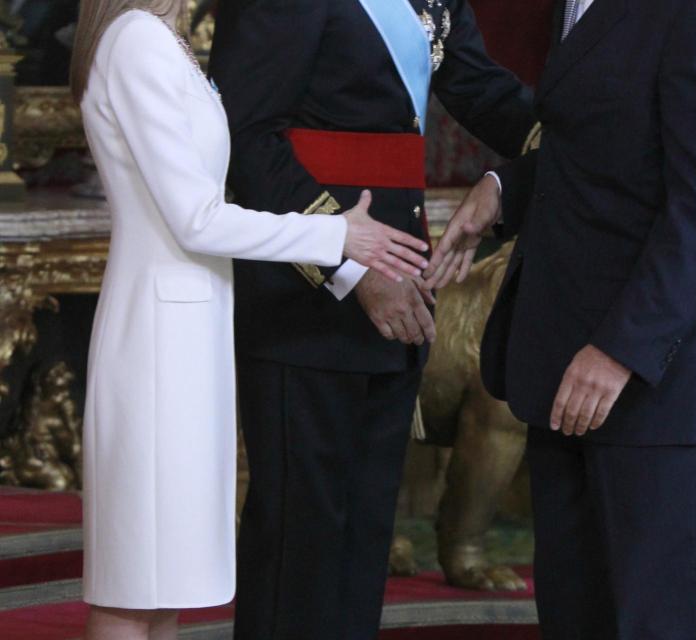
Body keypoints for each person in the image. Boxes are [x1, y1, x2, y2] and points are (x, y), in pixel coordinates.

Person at [70, 2, 429, 638]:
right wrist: (333, 234)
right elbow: (196, 217)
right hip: (157, 336)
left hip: (193, 326)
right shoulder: (136, 42)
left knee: (166, 581)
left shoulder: (166, 41)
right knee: (136, 582)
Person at [427, 0, 696, 638]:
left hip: (663, 384)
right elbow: (601, 145)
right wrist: (505, 190)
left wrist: (621, 349)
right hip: (568, 368)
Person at [207, 2, 536, 638]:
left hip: (400, 295)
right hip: (305, 302)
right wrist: (351, 271)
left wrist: (600, 125)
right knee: (300, 547)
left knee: (363, 545)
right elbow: (246, 137)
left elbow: (489, 95)